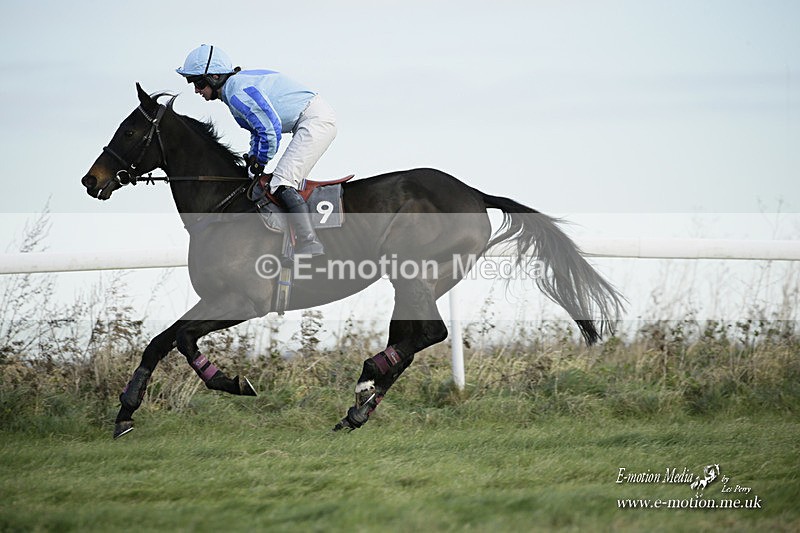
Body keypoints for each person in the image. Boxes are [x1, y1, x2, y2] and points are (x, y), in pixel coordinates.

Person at [176, 44, 336, 256]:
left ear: (214, 77)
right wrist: (253, 158)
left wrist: (260, 161)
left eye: (198, 83)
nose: (196, 90)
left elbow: (270, 130)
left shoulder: (236, 93)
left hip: (315, 121)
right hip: (310, 119)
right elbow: (258, 131)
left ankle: (309, 242)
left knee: (281, 182)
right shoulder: (234, 89)